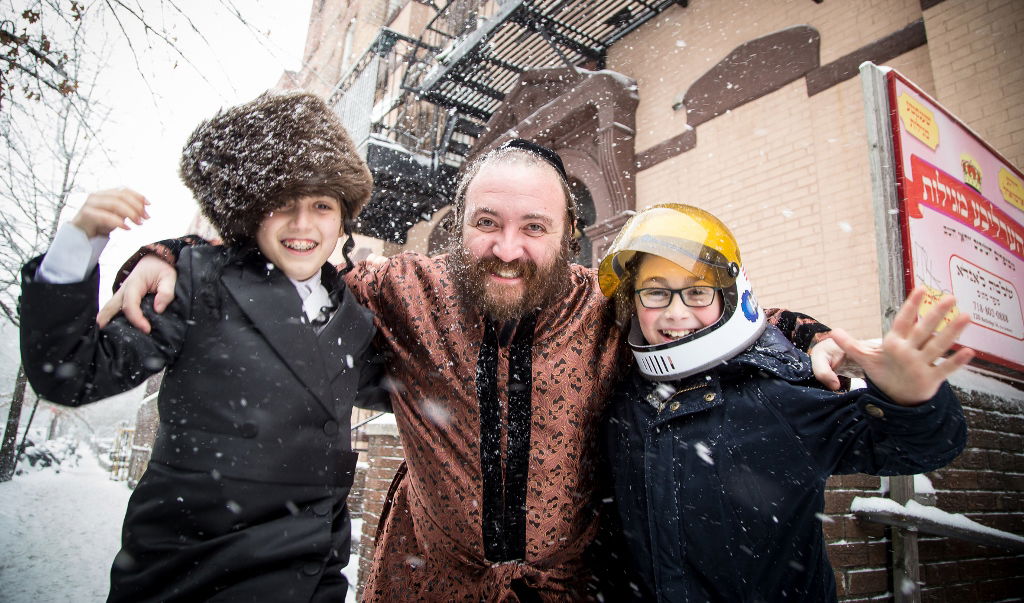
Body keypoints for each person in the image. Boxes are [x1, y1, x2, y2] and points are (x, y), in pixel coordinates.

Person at [104, 140, 842, 600]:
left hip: (571, 590)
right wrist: (178, 254)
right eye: (487, 222)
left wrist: (809, 336)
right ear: (459, 225)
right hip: (424, 584)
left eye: (533, 227)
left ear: (571, 237)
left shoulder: (604, 310)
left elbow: (705, 314)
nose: (507, 247)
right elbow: (294, 269)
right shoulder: (403, 291)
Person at [19, 91, 388, 602]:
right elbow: (69, 373)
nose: (303, 225)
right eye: (282, 203)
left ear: (343, 219)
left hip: (311, 582)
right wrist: (79, 244)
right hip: (191, 575)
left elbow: (412, 391)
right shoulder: (196, 283)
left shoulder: (355, 318)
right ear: (251, 212)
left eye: (322, 205)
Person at [596, 203, 971, 601]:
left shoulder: (777, 391)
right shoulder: (625, 402)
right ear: (632, 301)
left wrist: (910, 401)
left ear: (729, 295)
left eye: (697, 290)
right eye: (655, 292)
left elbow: (915, 448)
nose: (675, 311)